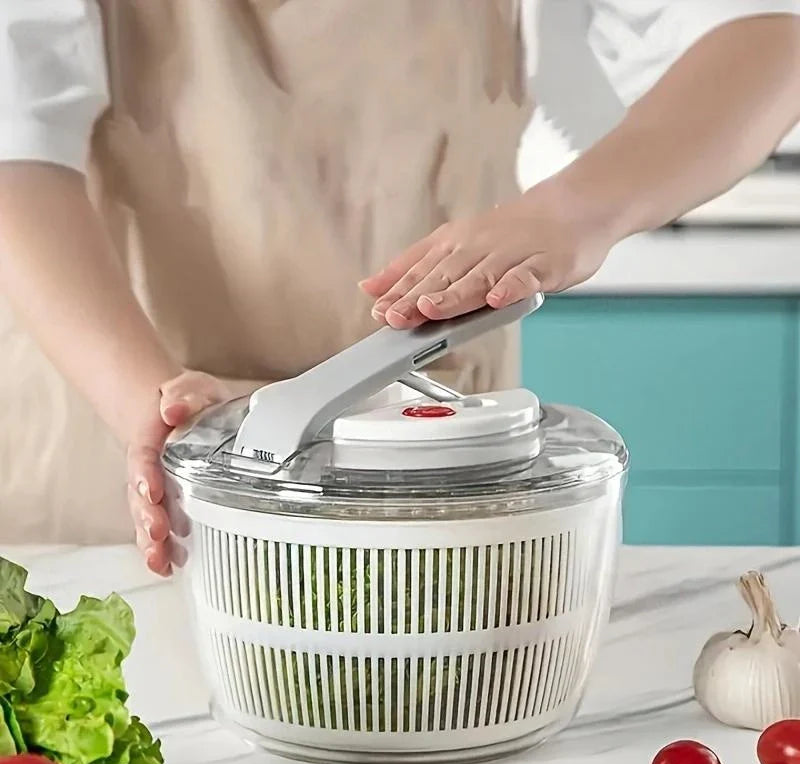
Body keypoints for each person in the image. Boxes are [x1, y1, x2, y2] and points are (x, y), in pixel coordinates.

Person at [1, 2, 799, 576]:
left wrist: (577, 209)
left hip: (432, 443)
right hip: (115, 406)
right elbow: (15, 140)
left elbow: (763, 31)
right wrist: (156, 407)